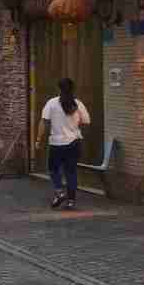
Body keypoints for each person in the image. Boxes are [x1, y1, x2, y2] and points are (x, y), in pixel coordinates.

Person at [36, 77, 90, 209]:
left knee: (53, 170)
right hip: (74, 142)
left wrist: (38, 139)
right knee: (71, 171)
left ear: (59, 88)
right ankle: (71, 201)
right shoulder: (77, 103)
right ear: (73, 89)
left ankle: (59, 192)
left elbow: (44, 121)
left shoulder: (52, 103)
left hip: (57, 143)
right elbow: (86, 121)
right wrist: (74, 126)